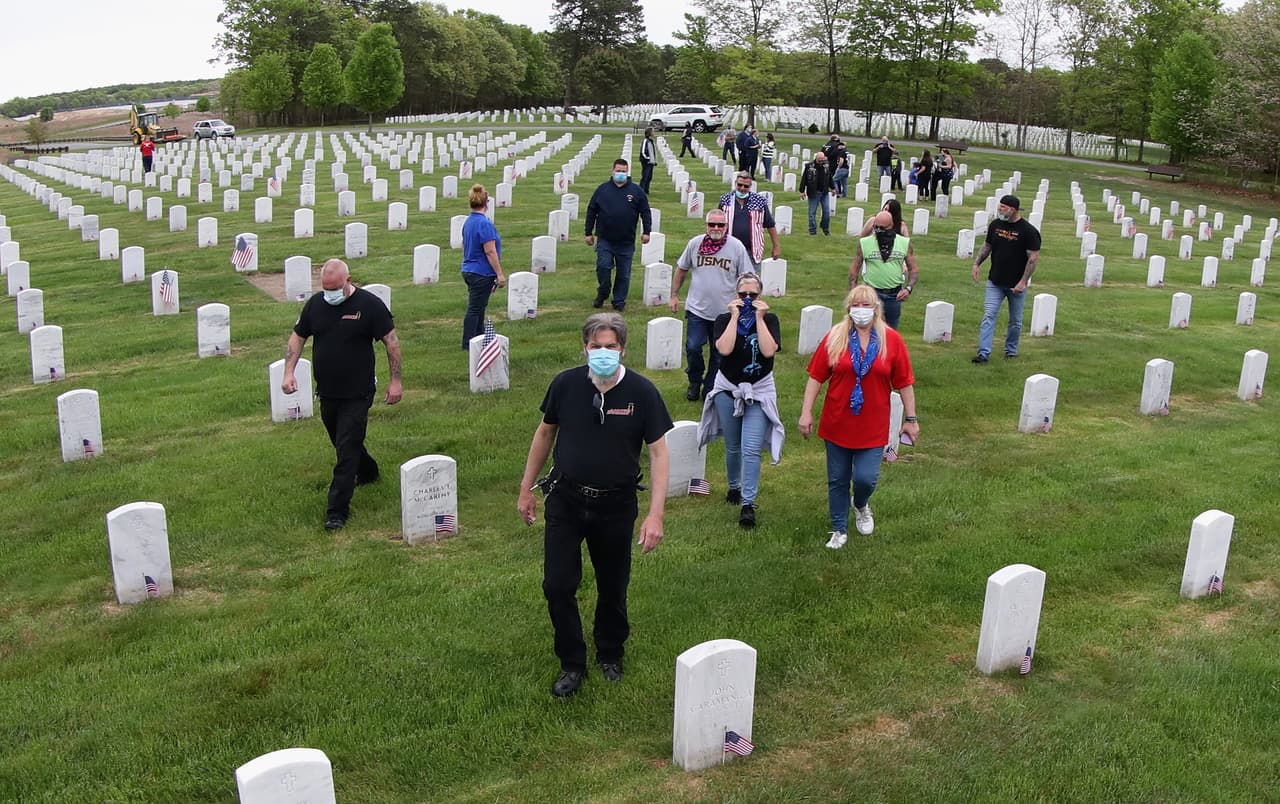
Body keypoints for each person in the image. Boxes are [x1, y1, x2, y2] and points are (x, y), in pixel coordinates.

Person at [517, 313, 673, 698]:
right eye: (596, 346)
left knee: (613, 585)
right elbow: (545, 434)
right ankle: (572, 662)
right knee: (557, 585)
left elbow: (658, 453)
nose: (603, 353)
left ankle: (610, 653)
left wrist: (655, 513)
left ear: (623, 349)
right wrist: (526, 489)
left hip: (615, 505)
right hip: (566, 499)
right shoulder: (566, 385)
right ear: (584, 348)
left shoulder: (642, 393)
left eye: (610, 347)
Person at [282, 259, 403, 531]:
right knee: (342, 440)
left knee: (346, 448)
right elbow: (297, 337)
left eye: (335, 289)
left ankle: (336, 511)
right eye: (326, 289)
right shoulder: (315, 305)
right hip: (328, 391)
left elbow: (392, 343)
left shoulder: (369, 305)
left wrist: (395, 381)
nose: (330, 294)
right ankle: (369, 471)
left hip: (358, 391)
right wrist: (288, 372)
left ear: (348, 281)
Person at [798, 285, 920, 549]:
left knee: (866, 478)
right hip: (838, 421)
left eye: (866, 305)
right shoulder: (835, 337)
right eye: (856, 305)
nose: (861, 310)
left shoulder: (891, 340)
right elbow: (816, 377)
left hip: (872, 423)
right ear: (849, 309)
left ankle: (861, 504)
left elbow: (905, 382)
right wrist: (806, 412)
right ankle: (839, 529)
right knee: (838, 479)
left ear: (876, 309)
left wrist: (911, 419)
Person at [697, 273, 784, 529]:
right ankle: (734, 486)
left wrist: (759, 318)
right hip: (728, 389)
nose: (747, 299)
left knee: (751, 449)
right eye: (742, 294)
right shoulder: (723, 320)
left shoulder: (770, 319)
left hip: (759, 390)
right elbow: (723, 349)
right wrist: (735, 317)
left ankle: (748, 503)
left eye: (752, 295)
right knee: (733, 445)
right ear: (735, 295)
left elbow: (768, 350)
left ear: (760, 296)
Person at [670, 210, 753, 402]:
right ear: (706, 225)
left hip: (725, 313)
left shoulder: (736, 247)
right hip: (697, 309)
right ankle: (694, 380)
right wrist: (674, 295)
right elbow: (681, 270)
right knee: (693, 347)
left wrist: (742, 304)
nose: (716, 228)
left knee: (719, 354)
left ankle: (710, 387)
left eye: (720, 225)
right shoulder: (695, 244)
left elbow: (747, 278)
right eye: (712, 224)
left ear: (726, 226)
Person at [971, 194, 1041, 363]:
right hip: (995, 281)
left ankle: (1011, 351)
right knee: (989, 316)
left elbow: (1033, 259)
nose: (999, 209)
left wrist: (1023, 282)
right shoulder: (995, 225)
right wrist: (977, 263)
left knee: (1015, 321)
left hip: (1016, 284)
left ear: (1013, 209)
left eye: (1003, 207)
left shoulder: (1028, 231)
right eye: (999, 206)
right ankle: (983, 353)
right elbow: (987, 246)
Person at [585, 159, 652, 312]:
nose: (621, 174)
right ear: (612, 171)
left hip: (626, 241)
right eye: (618, 171)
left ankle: (619, 300)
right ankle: (603, 291)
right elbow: (592, 210)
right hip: (605, 240)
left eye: (623, 171)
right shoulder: (602, 190)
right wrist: (588, 232)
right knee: (603, 267)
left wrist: (646, 232)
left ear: (627, 172)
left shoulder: (636, 191)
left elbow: (645, 212)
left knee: (624, 274)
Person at [851, 210, 920, 330]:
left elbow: (913, 268)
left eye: (882, 228)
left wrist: (908, 289)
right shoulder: (865, 243)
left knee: (891, 331)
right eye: (876, 227)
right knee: (868, 330)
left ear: (891, 226)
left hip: (894, 295)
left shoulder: (904, 243)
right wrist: (854, 291)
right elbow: (855, 267)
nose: (878, 231)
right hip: (872, 294)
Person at [460, 183, 507, 350]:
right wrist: (499, 274)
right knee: (475, 309)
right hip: (481, 272)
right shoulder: (484, 224)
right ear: (486, 203)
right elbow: (490, 251)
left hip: (469, 270)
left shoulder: (468, 222)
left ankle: (479, 339)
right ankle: (468, 343)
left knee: (479, 307)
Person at [719, 171, 781, 270]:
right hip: (729, 248)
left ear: (750, 186)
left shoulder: (759, 202)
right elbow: (717, 223)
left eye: (746, 186)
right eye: (740, 185)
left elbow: (770, 225)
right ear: (735, 183)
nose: (742, 188)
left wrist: (776, 246)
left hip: (752, 250)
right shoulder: (725, 200)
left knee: (750, 278)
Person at [799, 151, 835, 236]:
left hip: (824, 192)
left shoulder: (826, 165)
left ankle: (825, 228)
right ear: (816, 158)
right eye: (820, 160)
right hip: (813, 192)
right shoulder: (809, 166)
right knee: (812, 212)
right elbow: (804, 179)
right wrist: (802, 191)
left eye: (823, 160)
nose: (821, 162)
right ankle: (812, 230)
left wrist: (833, 188)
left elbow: (829, 177)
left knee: (826, 211)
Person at [639, 127, 658, 194]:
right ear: (649, 132)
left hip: (651, 162)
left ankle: (646, 190)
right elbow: (643, 152)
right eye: (653, 131)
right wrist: (648, 158)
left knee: (649, 177)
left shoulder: (651, 141)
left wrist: (654, 160)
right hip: (646, 162)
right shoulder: (645, 141)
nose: (654, 133)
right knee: (645, 176)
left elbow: (652, 152)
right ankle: (641, 190)